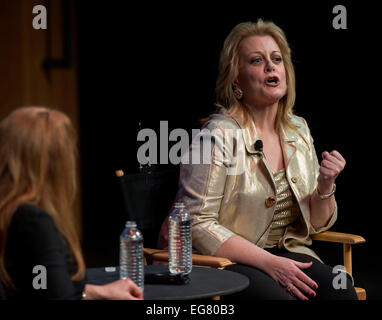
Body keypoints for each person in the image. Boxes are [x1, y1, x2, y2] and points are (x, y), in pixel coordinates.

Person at [158, 19, 357, 300]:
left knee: (341, 291)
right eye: (256, 60)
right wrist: (269, 263)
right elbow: (196, 223)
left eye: (276, 59)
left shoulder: (297, 129)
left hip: (285, 252)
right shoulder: (216, 135)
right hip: (226, 262)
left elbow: (316, 224)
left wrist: (325, 186)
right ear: (236, 78)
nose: (270, 66)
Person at [0, 106, 143, 300]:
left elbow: (38, 287)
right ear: (55, 162)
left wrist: (96, 291)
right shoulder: (32, 221)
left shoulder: (11, 212)